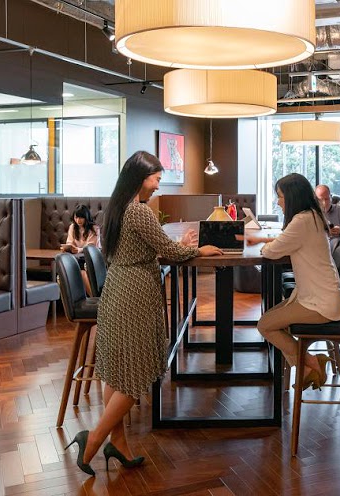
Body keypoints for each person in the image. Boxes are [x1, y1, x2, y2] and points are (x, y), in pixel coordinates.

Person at [67, 151, 222, 477]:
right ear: (140, 177)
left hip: (117, 290)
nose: (157, 185)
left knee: (119, 371)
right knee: (135, 375)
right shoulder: (138, 212)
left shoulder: (115, 209)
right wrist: (199, 249)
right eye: (155, 178)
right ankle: (93, 440)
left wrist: (181, 244)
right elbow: (171, 252)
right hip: (135, 294)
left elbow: (153, 246)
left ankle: (118, 443)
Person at [248, 173, 340, 390]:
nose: (278, 201)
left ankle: (311, 363)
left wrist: (265, 246)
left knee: (265, 325)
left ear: (292, 197)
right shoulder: (312, 216)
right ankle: (306, 369)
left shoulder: (302, 221)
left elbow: (272, 252)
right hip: (325, 297)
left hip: (321, 304)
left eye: (280, 196)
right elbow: (284, 243)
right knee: (274, 320)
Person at [63, 204, 100, 295]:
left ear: (86, 217)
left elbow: (91, 247)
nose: (78, 220)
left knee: (82, 273)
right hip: (77, 258)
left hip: (93, 258)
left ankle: (94, 298)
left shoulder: (94, 228)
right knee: (69, 269)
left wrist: (79, 250)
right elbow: (70, 242)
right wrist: (69, 247)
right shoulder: (72, 227)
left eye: (81, 218)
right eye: (76, 217)